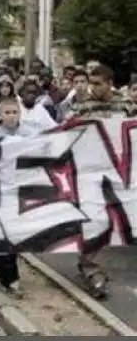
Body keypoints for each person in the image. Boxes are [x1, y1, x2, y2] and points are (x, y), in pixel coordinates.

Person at [64, 65, 137, 300]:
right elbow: (67, 134)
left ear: (110, 82)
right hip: (90, 172)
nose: (92, 88)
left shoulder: (126, 107)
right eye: (90, 83)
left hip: (122, 172)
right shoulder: (81, 107)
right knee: (94, 218)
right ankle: (90, 266)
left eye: (97, 83)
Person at [0, 98, 38, 298]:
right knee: (6, 234)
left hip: (21, 192)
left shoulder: (30, 135)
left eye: (15, 112)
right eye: (7, 112)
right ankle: (10, 279)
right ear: (0, 115)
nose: (11, 116)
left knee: (12, 234)